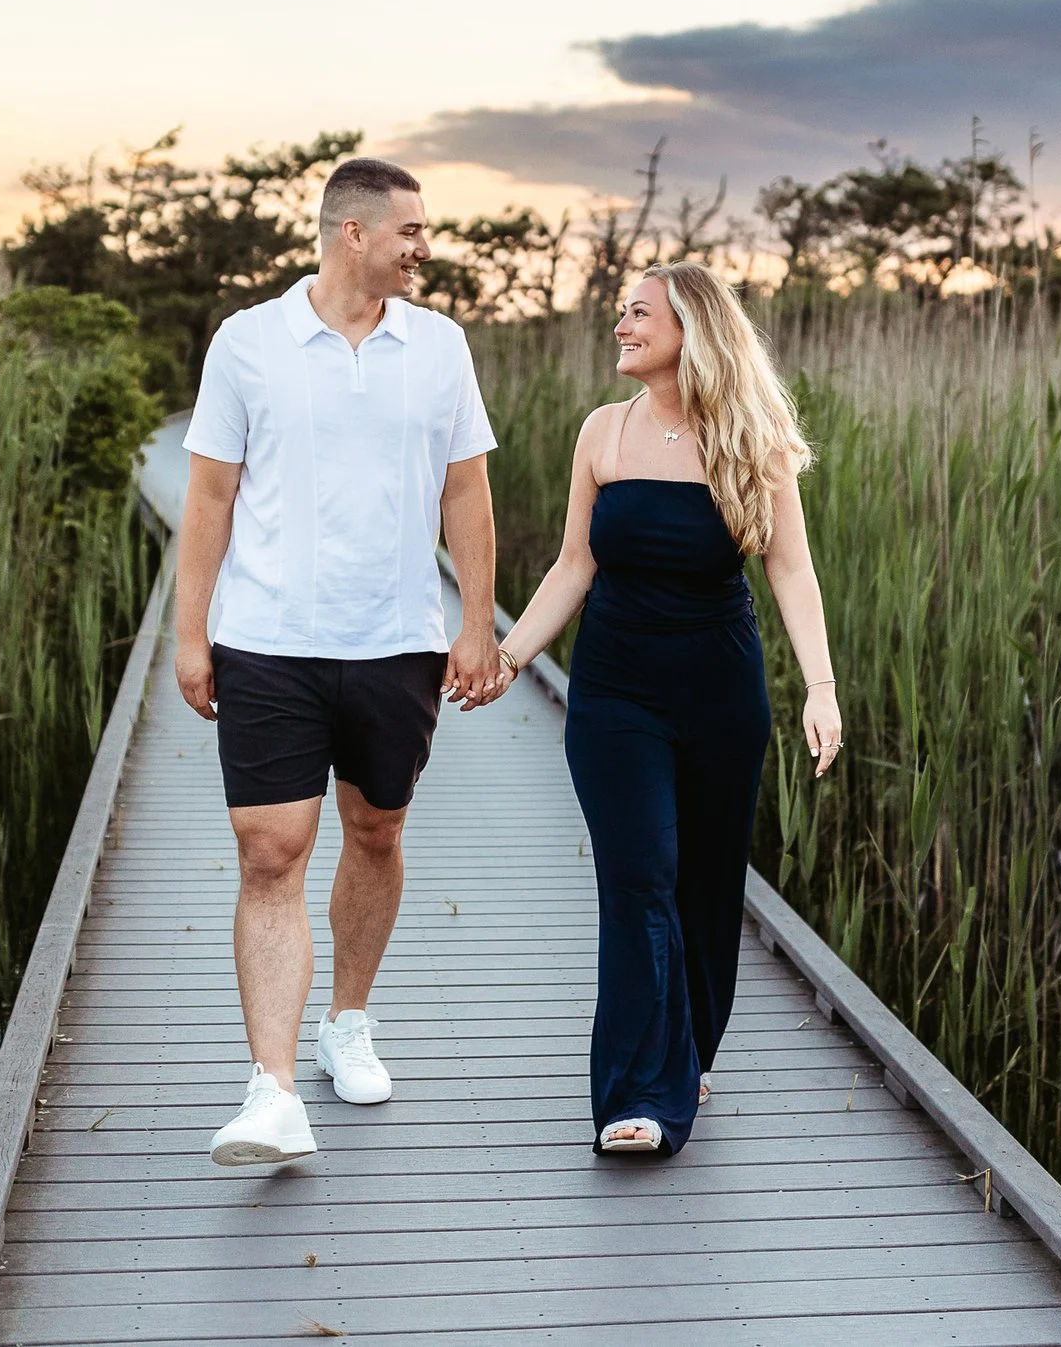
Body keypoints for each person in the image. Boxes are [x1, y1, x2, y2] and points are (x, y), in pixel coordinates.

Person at [174, 156, 505, 1167]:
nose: (424, 245)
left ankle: (346, 1019)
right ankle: (270, 1088)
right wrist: (191, 633)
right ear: (352, 233)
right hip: (267, 638)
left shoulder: (439, 347)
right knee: (270, 850)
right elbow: (209, 497)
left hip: (396, 637)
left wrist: (478, 623)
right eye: (411, 229)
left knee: (375, 830)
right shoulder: (248, 341)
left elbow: (466, 495)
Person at [495, 261, 841, 1155]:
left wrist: (822, 686)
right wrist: (508, 654)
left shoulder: (752, 440)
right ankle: (639, 1094)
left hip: (721, 693)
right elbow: (575, 564)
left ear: (692, 329)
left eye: (639, 313)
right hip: (614, 694)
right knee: (640, 874)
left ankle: (691, 1043)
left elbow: (790, 567)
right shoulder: (602, 434)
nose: (621, 324)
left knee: (706, 880)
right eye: (622, 313)